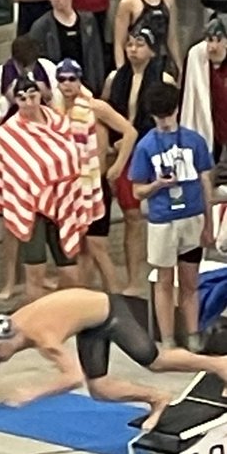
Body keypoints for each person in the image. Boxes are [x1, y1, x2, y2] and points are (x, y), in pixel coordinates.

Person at [0, 290, 227, 429]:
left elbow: (73, 378)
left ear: (11, 340)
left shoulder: (44, 338)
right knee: (100, 389)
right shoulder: (11, 326)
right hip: (88, 323)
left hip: (111, 312)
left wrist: (34, 392)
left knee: (155, 361)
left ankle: (218, 364)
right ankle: (158, 399)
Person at [129, 83, 213, 351]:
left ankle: (193, 334)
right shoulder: (145, 146)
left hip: (192, 217)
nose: (163, 122)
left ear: (176, 110)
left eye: (167, 115)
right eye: (158, 117)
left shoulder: (194, 140)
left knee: (190, 280)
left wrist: (209, 223)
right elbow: (137, 191)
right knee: (164, 281)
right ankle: (167, 339)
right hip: (163, 220)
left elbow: (205, 183)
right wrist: (158, 185)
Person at [0, 77, 86, 300]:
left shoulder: (60, 122)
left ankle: (69, 324)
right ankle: (37, 327)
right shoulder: (9, 133)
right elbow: (13, 173)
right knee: (35, 271)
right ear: (15, 100)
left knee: (70, 271)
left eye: (32, 96)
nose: (28, 103)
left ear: (40, 95)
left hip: (63, 200)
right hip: (30, 206)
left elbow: (72, 156)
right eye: (22, 99)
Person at [103, 24, 178, 295]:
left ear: (152, 49)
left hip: (152, 149)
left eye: (139, 45)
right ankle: (134, 277)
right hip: (125, 150)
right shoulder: (116, 78)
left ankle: (164, 273)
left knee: (164, 214)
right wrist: (114, 142)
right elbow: (106, 113)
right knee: (132, 215)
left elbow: (170, 122)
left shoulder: (164, 79)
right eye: (130, 44)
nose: (133, 50)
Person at [54, 58, 136, 295]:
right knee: (82, 248)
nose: (67, 84)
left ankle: (117, 297)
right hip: (73, 188)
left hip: (96, 185)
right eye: (62, 80)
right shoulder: (59, 113)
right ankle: (87, 297)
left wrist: (118, 166)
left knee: (96, 245)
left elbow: (130, 132)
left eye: (72, 79)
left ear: (80, 81)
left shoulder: (95, 107)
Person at [29, 0, 105, 94]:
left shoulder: (88, 21)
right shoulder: (41, 27)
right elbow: (36, 64)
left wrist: (97, 87)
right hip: (57, 89)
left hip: (85, 85)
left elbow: (96, 57)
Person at [113, 0, 180, 73]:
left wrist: (179, 66)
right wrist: (121, 71)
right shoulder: (129, 2)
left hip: (162, 61)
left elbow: (172, 38)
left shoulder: (168, 0)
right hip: (137, 65)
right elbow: (119, 43)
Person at [181, 15, 227, 162]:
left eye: (218, 40)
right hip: (214, 135)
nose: (211, 47)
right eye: (209, 40)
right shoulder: (198, 58)